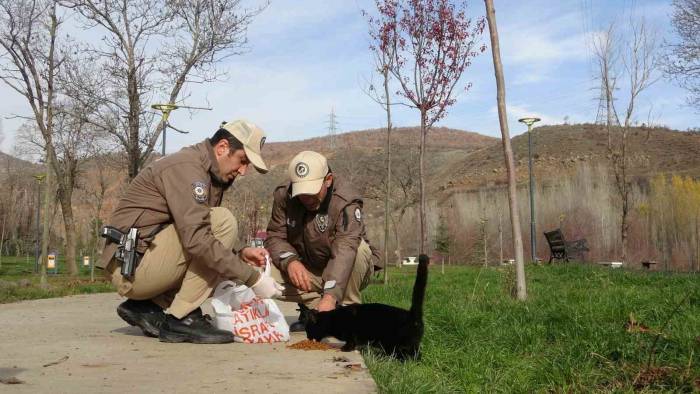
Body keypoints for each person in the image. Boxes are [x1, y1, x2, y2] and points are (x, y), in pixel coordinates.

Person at [98, 120, 283, 344]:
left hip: (143, 262)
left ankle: (147, 307)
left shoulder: (206, 172)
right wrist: (253, 279)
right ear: (222, 147)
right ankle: (182, 319)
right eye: (242, 160)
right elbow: (197, 238)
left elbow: (196, 228)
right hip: (131, 269)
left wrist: (240, 251)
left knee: (222, 256)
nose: (243, 170)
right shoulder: (188, 168)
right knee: (223, 223)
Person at [265, 151, 382, 331]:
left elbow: (345, 249)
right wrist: (290, 261)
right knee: (257, 270)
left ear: (328, 180)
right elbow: (275, 236)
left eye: (312, 191)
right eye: (301, 192)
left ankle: (345, 311)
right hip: (307, 269)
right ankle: (313, 311)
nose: (306, 198)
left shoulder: (346, 200)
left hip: (345, 270)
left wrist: (330, 295)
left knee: (359, 250)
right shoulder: (284, 195)